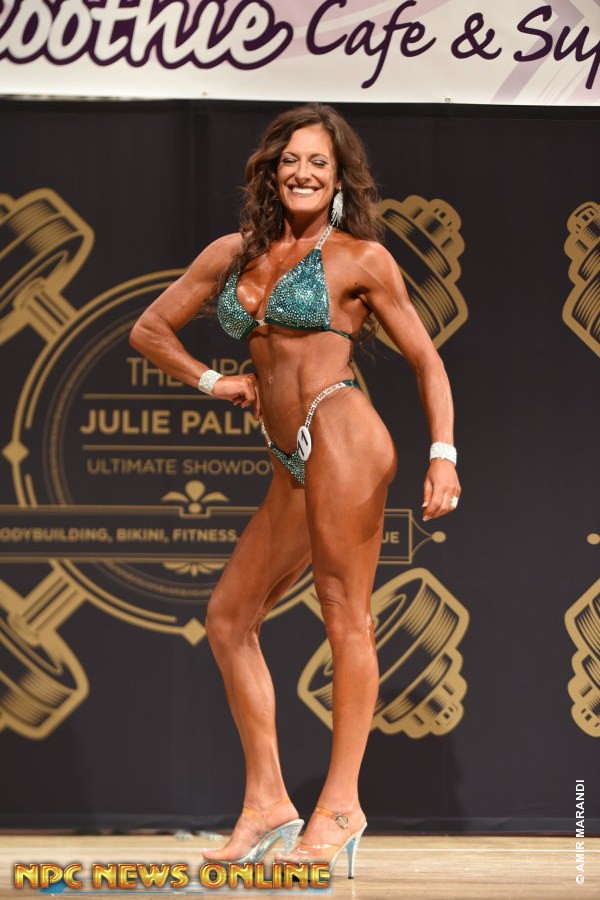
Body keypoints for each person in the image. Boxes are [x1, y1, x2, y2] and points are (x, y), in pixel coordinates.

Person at [129, 103, 461, 878]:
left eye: (318, 162)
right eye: (291, 161)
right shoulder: (233, 253)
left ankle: (340, 806)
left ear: (339, 179)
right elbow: (148, 329)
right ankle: (268, 801)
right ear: (271, 172)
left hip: (342, 432)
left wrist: (443, 454)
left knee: (345, 614)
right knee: (228, 618)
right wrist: (212, 380)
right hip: (289, 458)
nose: (303, 173)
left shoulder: (361, 259)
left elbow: (427, 359)